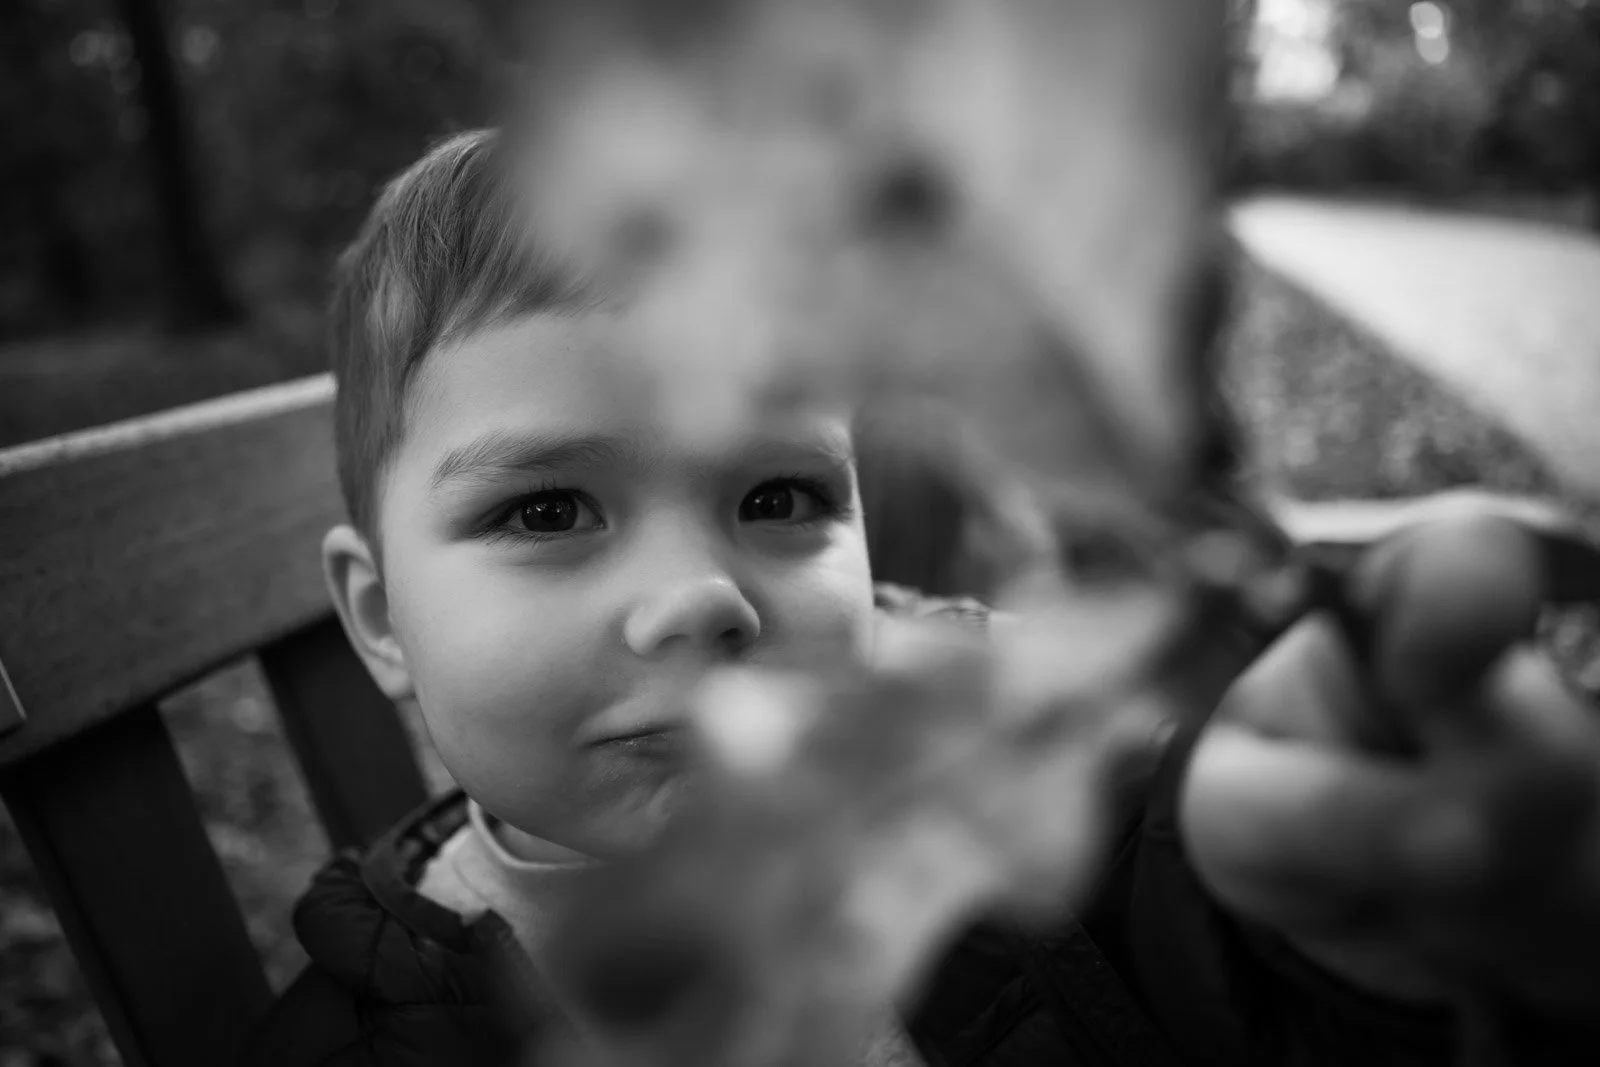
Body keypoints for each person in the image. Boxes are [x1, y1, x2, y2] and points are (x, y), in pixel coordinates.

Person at [242, 129, 1600, 1067]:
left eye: (776, 498)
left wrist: (1360, 952)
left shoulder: (1059, 823)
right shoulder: (372, 1032)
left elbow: (1264, 982)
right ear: (377, 619)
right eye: (546, 511)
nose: (702, 597)